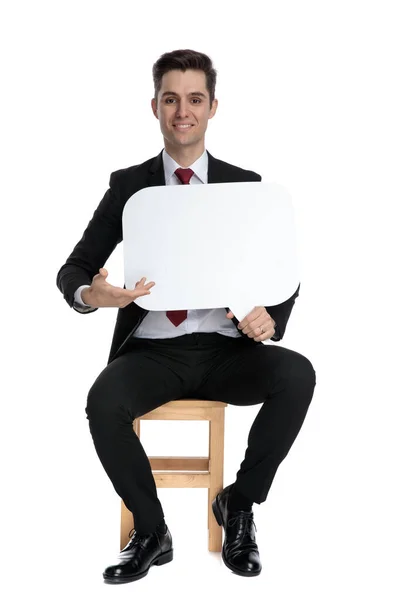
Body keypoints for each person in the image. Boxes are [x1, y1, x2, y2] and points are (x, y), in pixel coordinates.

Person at [56, 48, 316, 583]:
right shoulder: (130, 185)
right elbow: (74, 269)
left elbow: (282, 273)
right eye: (170, 99)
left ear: (213, 107)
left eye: (194, 99)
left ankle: (239, 504)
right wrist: (93, 294)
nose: (182, 111)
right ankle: (152, 531)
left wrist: (271, 315)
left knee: (298, 374)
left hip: (226, 348)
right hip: (153, 351)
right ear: (154, 106)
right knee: (103, 402)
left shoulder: (245, 184)